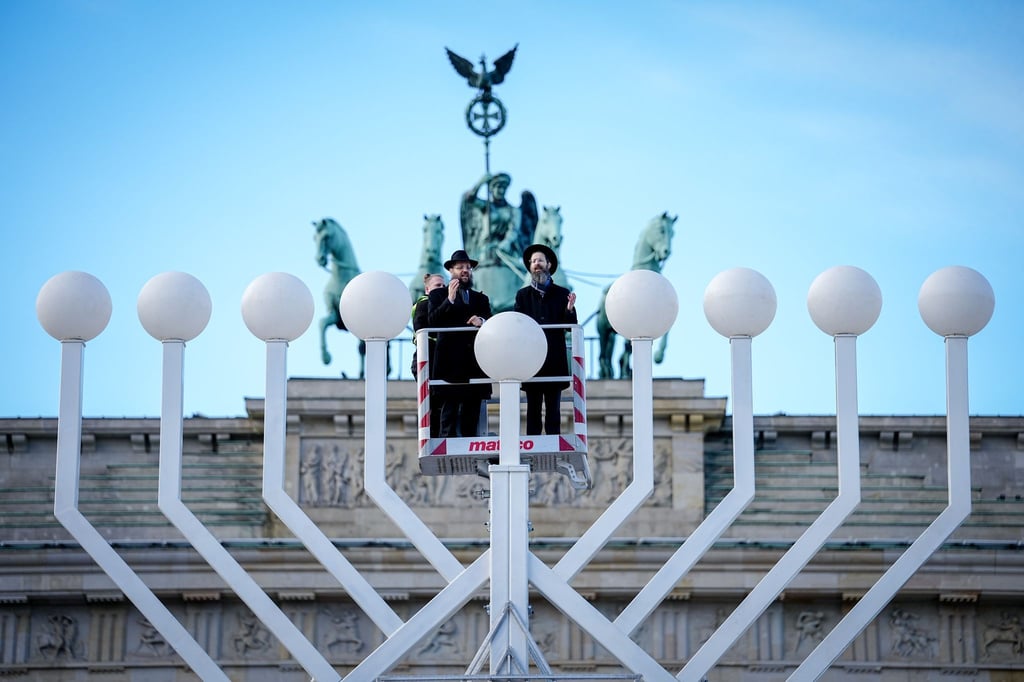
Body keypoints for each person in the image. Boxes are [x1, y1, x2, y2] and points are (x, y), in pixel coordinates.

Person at [427, 250, 492, 437]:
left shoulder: (481, 298)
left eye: (468, 267)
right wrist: (450, 300)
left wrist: (481, 320)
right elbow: (432, 322)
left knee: (470, 420)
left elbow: (491, 321)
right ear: (451, 270)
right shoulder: (438, 295)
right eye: (460, 267)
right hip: (450, 367)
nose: (465, 271)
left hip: (475, 364)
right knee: (448, 415)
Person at [514, 244, 577, 435]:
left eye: (540, 260)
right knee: (532, 407)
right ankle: (532, 442)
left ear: (549, 264)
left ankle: (553, 440)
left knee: (553, 408)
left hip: (554, 358)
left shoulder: (561, 293)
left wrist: (569, 309)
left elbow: (569, 326)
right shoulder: (523, 295)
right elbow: (517, 324)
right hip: (532, 359)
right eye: (533, 262)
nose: (536, 264)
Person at [460, 172, 537, 312]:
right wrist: (481, 182)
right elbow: (469, 199)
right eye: (497, 187)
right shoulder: (486, 207)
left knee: (524, 273)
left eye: (503, 188)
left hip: (506, 251)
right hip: (485, 251)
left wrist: (506, 243)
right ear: (492, 189)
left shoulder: (514, 211)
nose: (500, 191)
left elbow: (514, 230)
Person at [411, 272, 446, 436]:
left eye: (443, 286)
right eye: (437, 286)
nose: (442, 288)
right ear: (427, 289)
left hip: (437, 359)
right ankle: (432, 436)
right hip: (428, 358)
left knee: (438, 401)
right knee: (432, 402)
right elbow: (422, 327)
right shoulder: (424, 303)